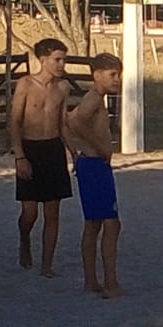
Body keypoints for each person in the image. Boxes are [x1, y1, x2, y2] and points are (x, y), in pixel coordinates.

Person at [9, 37, 73, 276]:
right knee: (30, 213)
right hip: (30, 148)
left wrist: (74, 152)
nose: (61, 64)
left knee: (53, 212)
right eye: (57, 59)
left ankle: (47, 264)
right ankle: (24, 239)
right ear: (43, 59)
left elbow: (63, 123)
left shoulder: (63, 87)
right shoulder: (25, 84)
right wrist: (20, 156)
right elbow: (15, 122)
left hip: (53, 150)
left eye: (63, 60)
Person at [63, 53, 123, 297]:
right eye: (112, 75)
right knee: (111, 224)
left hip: (92, 164)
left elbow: (66, 120)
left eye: (118, 74)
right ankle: (109, 281)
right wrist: (97, 147)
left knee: (94, 224)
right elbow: (75, 123)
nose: (117, 80)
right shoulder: (94, 98)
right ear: (97, 75)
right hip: (94, 165)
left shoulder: (97, 98)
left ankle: (92, 279)